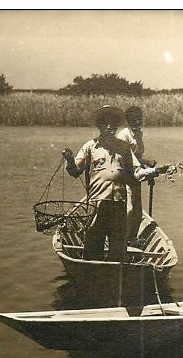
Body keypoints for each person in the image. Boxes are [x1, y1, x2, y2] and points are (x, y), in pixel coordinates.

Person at [61, 105, 136, 262]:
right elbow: (75, 172)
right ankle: (92, 276)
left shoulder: (124, 148)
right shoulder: (90, 147)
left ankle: (115, 275)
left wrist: (151, 172)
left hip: (119, 204)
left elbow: (132, 174)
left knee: (118, 249)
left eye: (113, 123)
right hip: (96, 204)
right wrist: (69, 160)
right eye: (105, 123)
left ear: (116, 126)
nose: (109, 127)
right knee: (93, 246)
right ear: (99, 126)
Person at [116, 105, 157, 242]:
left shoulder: (139, 134)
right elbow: (124, 159)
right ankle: (123, 242)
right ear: (128, 121)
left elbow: (135, 157)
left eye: (139, 119)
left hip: (136, 176)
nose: (137, 122)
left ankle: (132, 240)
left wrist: (147, 162)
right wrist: (147, 172)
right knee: (129, 210)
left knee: (137, 213)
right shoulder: (123, 135)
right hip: (125, 177)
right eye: (134, 120)